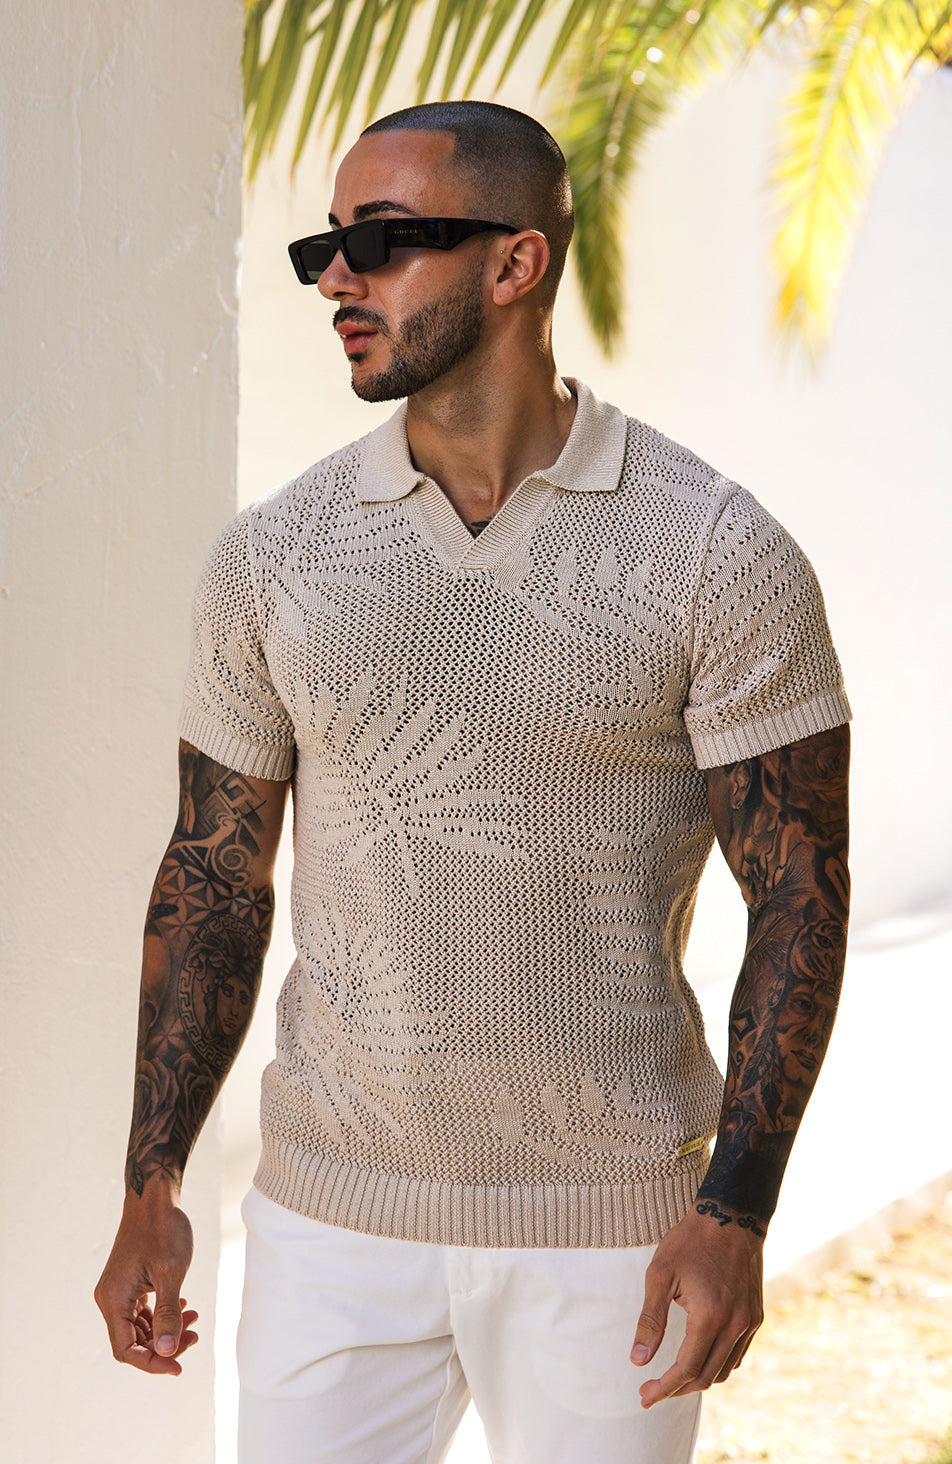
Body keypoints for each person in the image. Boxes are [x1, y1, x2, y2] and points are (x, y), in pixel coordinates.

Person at [95, 101, 851, 1464]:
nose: (338, 278)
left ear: (516, 263)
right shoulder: (276, 560)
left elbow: (800, 890)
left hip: (612, 1234)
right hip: (331, 1221)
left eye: (384, 241)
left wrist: (737, 1210)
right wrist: (152, 1183)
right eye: (328, 246)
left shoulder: (715, 552)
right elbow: (213, 875)